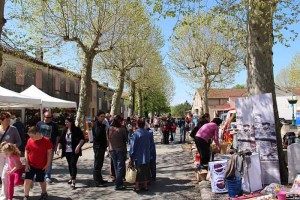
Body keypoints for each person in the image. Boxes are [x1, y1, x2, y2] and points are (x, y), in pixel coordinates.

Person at [24, 126, 53, 200]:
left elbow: (49, 153)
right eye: (30, 136)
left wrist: (47, 164)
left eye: (32, 136)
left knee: (41, 180)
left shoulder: (46, 141)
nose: (31, 138)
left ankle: (44, 193)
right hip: (30, 164)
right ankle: (26, 196)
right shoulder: (30, 140)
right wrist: (26, 163)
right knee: (27, 180)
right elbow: (26, 151)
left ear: (37, 133)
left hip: (41, 165)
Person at [56, 117, 85, 189]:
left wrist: (78, 147)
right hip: (67, 151)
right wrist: (57, 148)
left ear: (71, 122)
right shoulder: (64, 130)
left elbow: (82, 139)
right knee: (69, 164)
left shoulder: (77, 130)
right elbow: (61, 140)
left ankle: (73, 181)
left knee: (73, 164)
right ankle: (71, 176)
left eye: (67, 122)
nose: (65, 123)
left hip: (75, 150)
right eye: (65, 122)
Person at [0, 112, 22, 199]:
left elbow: (19, 142)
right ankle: (8, 192)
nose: (8, 122)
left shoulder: (13, 129)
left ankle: (4, 196)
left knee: (5, 175)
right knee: (2, 175)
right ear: (1, 121)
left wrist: (11, 147)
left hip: (10, 156)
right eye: (6, 120)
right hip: (0, 155)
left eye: (9, 120)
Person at [36, 112, 59, 183]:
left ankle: (47, 176)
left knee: (49, 161)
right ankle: (40, 175)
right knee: (40, 161)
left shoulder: (54, 124)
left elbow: (57, 136)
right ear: (44, 117)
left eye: (50, 117)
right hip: (40, 146)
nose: (49, 119)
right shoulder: (39, 124)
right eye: (47, 117)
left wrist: (56, 146)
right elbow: (35, 134)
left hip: (50, 146)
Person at [129, 118, 150, 192]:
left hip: (138, 156)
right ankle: (145, 186)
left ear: (137, 124)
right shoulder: (148, 133)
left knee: (138, 171)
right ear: (144, 124)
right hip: (146, 154)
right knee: (145, 171)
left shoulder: (136, 133)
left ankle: (137, 186)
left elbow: (133, 146)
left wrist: (131, 155)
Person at [107, 115, 127, 190]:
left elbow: (108, 139)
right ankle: (117, 184)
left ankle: (119, 182)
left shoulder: (110, 128)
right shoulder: (122, 129)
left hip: (112, 150)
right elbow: (125, 139)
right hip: (120, 150)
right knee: (120, 167)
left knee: (116, 167)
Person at [92, 110, 108, 187]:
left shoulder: (101, 124)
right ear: (97, 117)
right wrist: (103, 126)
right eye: (101, 116)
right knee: (97, 164)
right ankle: (97, 181)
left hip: (101, 146)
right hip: (98, 147)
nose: (103, 118)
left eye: (104, 117)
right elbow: (98, 134)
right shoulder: (96, 125)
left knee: (100, 164)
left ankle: (100, 179)